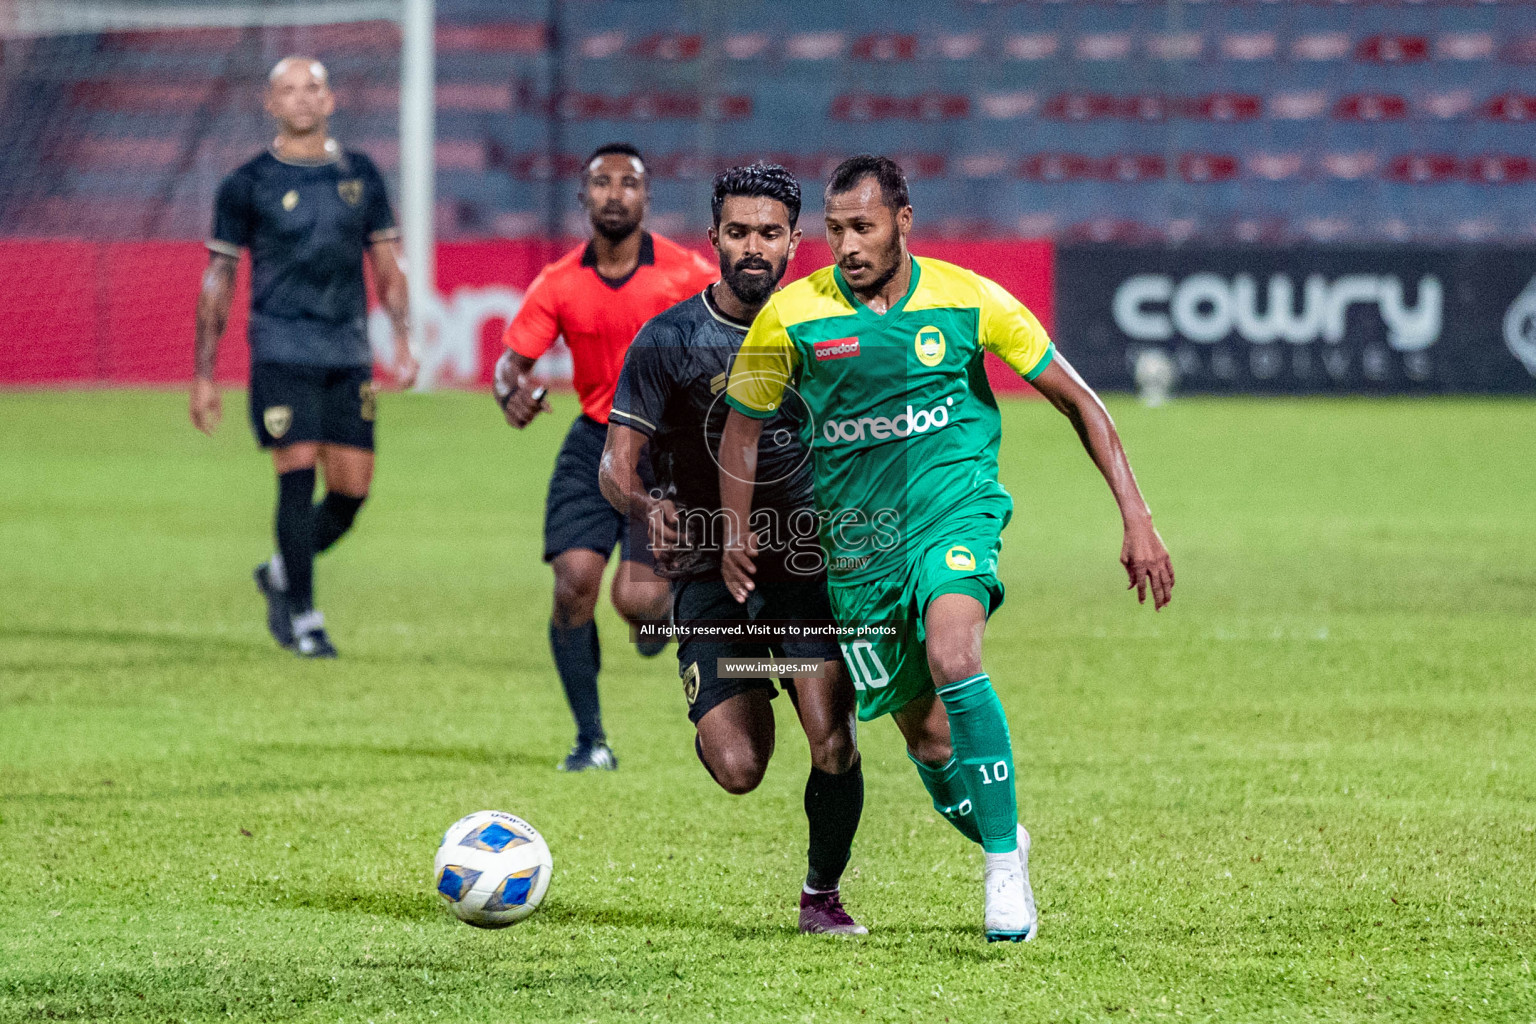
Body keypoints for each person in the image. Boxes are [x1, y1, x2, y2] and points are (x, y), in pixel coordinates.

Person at [719, 155, 1175, 942]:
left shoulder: (971, 300)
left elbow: (1080, 401)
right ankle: (1007, 835)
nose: (848, 246)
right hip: (859, 553)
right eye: (834, 232)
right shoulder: (791, 317)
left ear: (903, 221)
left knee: (955, 652)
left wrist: (1136, 516)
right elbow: (741, 426)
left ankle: (1001, 872)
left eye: (863, 227)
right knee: (929, 742)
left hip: (953, 516)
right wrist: (731, 531)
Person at [599, 164, 866, 934]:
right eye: (740, 232)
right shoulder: (670, 339)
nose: (755, 248)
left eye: (771, 233)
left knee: (834, 743)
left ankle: (822, 895)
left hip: (804, 566)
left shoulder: (831, 330)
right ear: (715, 237)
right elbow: (615, 464)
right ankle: (733, 691)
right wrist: (647, 505)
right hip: (710, 570)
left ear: (794, 242)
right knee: (741, 768)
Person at [494, 143, 718, 772]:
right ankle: (590, 740)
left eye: (629, 183)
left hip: (669, 446)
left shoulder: (685, 275)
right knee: (573, 586)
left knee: (639, 603)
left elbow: (737, 335)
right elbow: (511, 363)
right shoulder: (560, 281)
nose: (615, 194)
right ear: (584, 196)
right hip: (596, 436)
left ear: (646, 197)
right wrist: (509, 392)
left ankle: (666, 607)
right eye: (602, 182)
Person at [190, 56, 417, 659]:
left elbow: (388, 267)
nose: (301, 99)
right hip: (281, 349)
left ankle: (280, 571)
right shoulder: (245, 184)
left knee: (351, 493)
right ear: (270, 104)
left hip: (347, 351)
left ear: (330, 100)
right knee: (296, 474)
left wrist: (401, 338)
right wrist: (205, 374)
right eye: (287, 90)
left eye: (311, 87)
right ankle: (307, 616)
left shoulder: (361, 174)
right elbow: (218, 279)